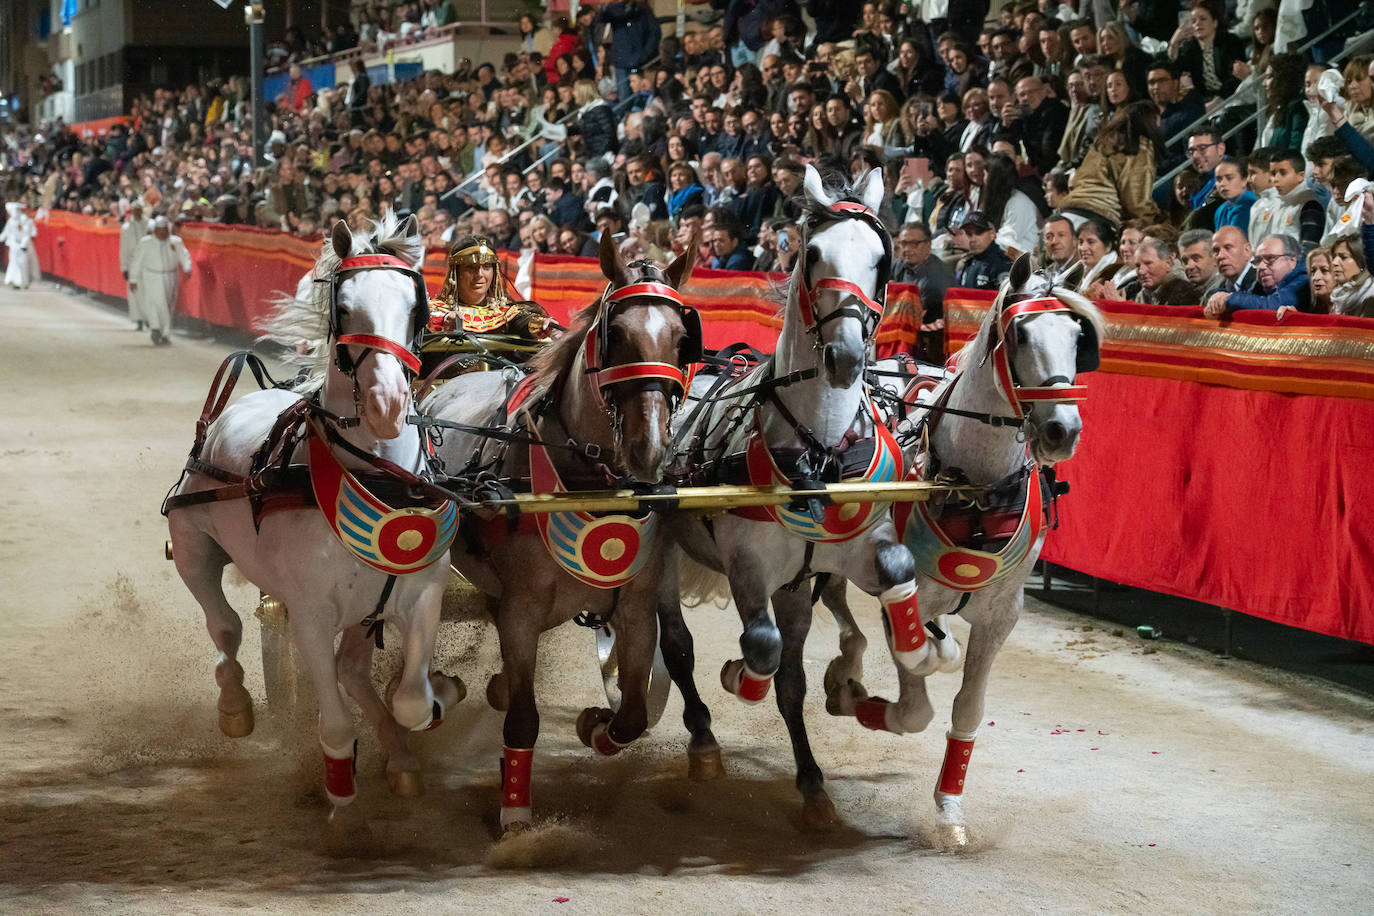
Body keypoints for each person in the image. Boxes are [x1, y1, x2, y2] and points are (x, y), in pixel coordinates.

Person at [1058, 101, 1162, 227]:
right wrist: (1154, 220)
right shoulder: (1139, 148)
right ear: (1149, 122)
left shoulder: (1102, 143)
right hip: (1097, 218)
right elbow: (1135, 201)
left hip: (1067, 214)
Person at [430, 235, 550, 339]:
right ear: (455, 273)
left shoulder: (505, 312)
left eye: (486, 267)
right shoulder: (435, 310)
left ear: (494, 272)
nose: (479, 274)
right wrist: (445, 322)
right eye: (470, 267)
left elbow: (522, 321)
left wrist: (541, 324)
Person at [1203, 234, 1310, 317]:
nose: (1262, 266)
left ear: (1292, 260)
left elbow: (1273, 305)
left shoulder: (1303, 280)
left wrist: (1229, 298)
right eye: (1258, 261)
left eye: (1270, 259)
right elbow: (1246, 296)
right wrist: (1218, 296)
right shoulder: (1262, 283)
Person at [126, 216, 192, 346]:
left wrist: (187, 268)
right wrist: (133, 278)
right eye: (160, 230)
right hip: (151, 277)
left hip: (170, 277)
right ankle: (155, 328)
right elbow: (137, 261)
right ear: (155, 230)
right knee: (153, 304)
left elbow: (184, 255)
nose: (163, 233)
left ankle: (165, 332)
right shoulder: (146, 243)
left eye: (165, 230)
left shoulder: (175, 242)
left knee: (168, 305)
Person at [892, 222, 955, 324]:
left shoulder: (937, 279)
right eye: (904, 243)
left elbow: (928, 322)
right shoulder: (899, 264)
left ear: (928, 245)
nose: (907, 249)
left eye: (914, 243)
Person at [1134, 234, 1201, 306]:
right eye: (1138, 266)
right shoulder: (1144, 290)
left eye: (1148, 263)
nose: (1141, 271)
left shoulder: (1184, 293)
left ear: (1168, 263)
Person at [954, 211, 1012, 291]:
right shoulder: (969, 262)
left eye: (978, 232)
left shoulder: (1001, 264)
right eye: (969, 234)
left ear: (992, 234)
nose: (973, 239)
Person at [119, 198, 150, 329]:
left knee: (148, 290)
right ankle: (138, 320)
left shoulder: (149, 224)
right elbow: (123, 248)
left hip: (147, 262)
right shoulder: (126, 227)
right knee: (135, 291)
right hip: (133, 262)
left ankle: (149, 318)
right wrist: (124, 267)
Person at [1211, 158, 1257, 234]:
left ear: (1244, 179)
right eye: (1219, 179)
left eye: (1229, 178)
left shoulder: (1253, 206)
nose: (1222, 183)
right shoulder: (1221, 210)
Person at [1211, 226, 1261, 295]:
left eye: (1228, 248)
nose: (1220, 256)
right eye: (1216, 250)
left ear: (1247, 250)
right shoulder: (1220, 287)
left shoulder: (1260, 283)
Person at [1178, 229, 1222, 299]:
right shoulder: (1184, 292)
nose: (1189, 266)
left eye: (1196, 258)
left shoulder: (1222, 291)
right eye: (1185, 260)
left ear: (1215, 258)